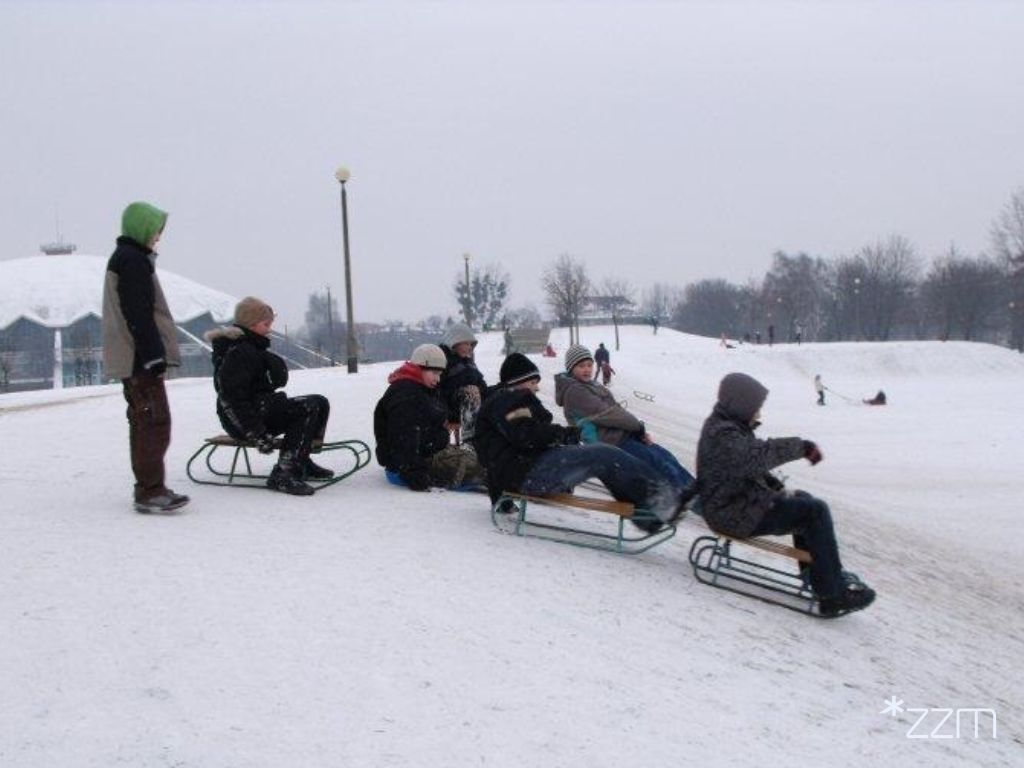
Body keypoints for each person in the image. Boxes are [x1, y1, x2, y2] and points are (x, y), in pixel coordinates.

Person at [695, 372, 875, 617]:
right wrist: (802, 447)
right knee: (815, 511)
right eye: (756, 407)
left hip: (734, 505)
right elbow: (756, 457)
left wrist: (778, 490)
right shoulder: (725, 434)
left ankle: (820, 575)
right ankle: (832, 595)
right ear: (741, 404)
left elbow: (746, 469)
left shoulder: (727, 426)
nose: (759, 413)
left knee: (803, 500)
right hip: (730, 513)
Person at [474, 352, 686, 531]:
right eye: (533, 383)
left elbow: (502, 449)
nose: (537, 389)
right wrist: (563, 434)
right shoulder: (508, 400)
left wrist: (501, 500)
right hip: (529, 474)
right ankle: (658, 502)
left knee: (603, 457)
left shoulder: (506, 402)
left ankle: (649, 512)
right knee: (603, 455)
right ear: (517, 382)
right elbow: (524, 435)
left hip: (526, 472)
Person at [102, 201, 189, 514]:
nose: (158, 237)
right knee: (153, 422)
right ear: (142, 228)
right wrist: (153, 355)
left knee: (146, 421)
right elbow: (138, 313)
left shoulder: (128, 258)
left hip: (135, 357)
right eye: (155, 230)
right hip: (140, 358)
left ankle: (149, 487)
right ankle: (150, 491)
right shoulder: (133, 260)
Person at [207, 297, 332, 496]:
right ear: (251, 324)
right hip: (245, 421)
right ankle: (284, 473)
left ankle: (299, 460)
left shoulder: (251, 348)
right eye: (266, 324)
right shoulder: (238, 352)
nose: (269, 329)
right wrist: (255, 432)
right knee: (308, 407)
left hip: (259, 410)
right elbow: (231, 399)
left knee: (319, 402)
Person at [555, 344, 695, 496]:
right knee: (659, 464)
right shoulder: (575, 391)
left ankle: (700, 494)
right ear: (571, 368)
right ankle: (697, 500)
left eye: (589, 365)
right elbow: (608, 413)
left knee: (666, 457)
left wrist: (638, 432)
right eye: (581, 366)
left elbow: (616, 411)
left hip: (621, 437)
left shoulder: (592, 385)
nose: (587, 369)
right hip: (610, 444)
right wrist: (636, 426)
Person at [373, 344, 486, 491]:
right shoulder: (406, 396)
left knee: (485, 459)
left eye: (440, 374)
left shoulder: (423, 388)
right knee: (484, 470)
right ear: (419, 368)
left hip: (430, 453)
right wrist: (414, 474)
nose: (438, 379)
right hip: (411, 465)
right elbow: (403, 439)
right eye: (434, 373)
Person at [438, 323, 488, 444]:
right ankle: (470, 442)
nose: (470, 347)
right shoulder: (442, 360)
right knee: (471, 391)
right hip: (447, 409)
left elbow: (482, 386)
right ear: (454, 342)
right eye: (466, 343)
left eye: (471, 344)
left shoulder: (469, 363)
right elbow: (436, 389)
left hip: (471, 408)